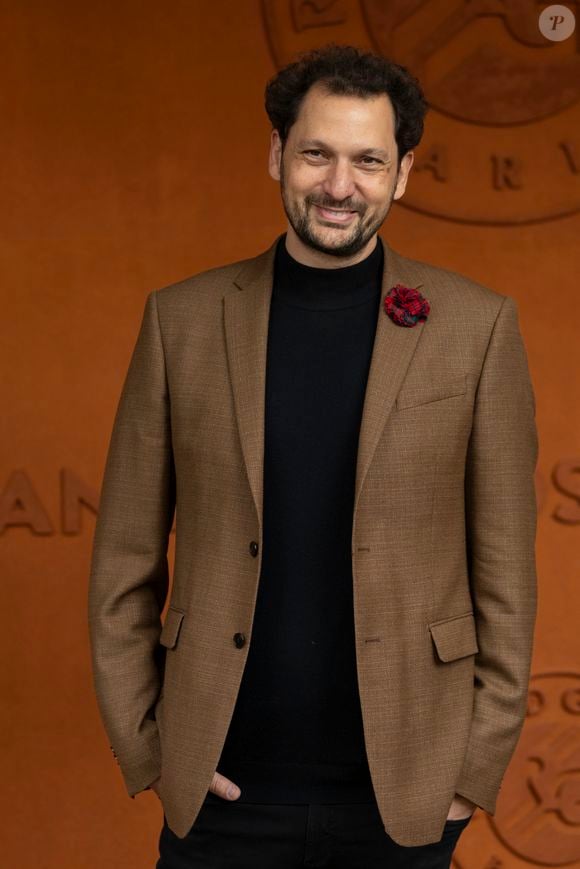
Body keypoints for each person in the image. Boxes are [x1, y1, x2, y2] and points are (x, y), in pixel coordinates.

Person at [88, 43, 538, 868]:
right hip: (221, 794)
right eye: (316, 154)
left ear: (402, 171)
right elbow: (122, 562)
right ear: (277, 155)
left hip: (405, 798)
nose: (340, 185)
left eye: (368, 160)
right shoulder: (179, 323)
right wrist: (154, 750)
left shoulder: (478, 328)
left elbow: (506, 575)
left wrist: (470, 772)